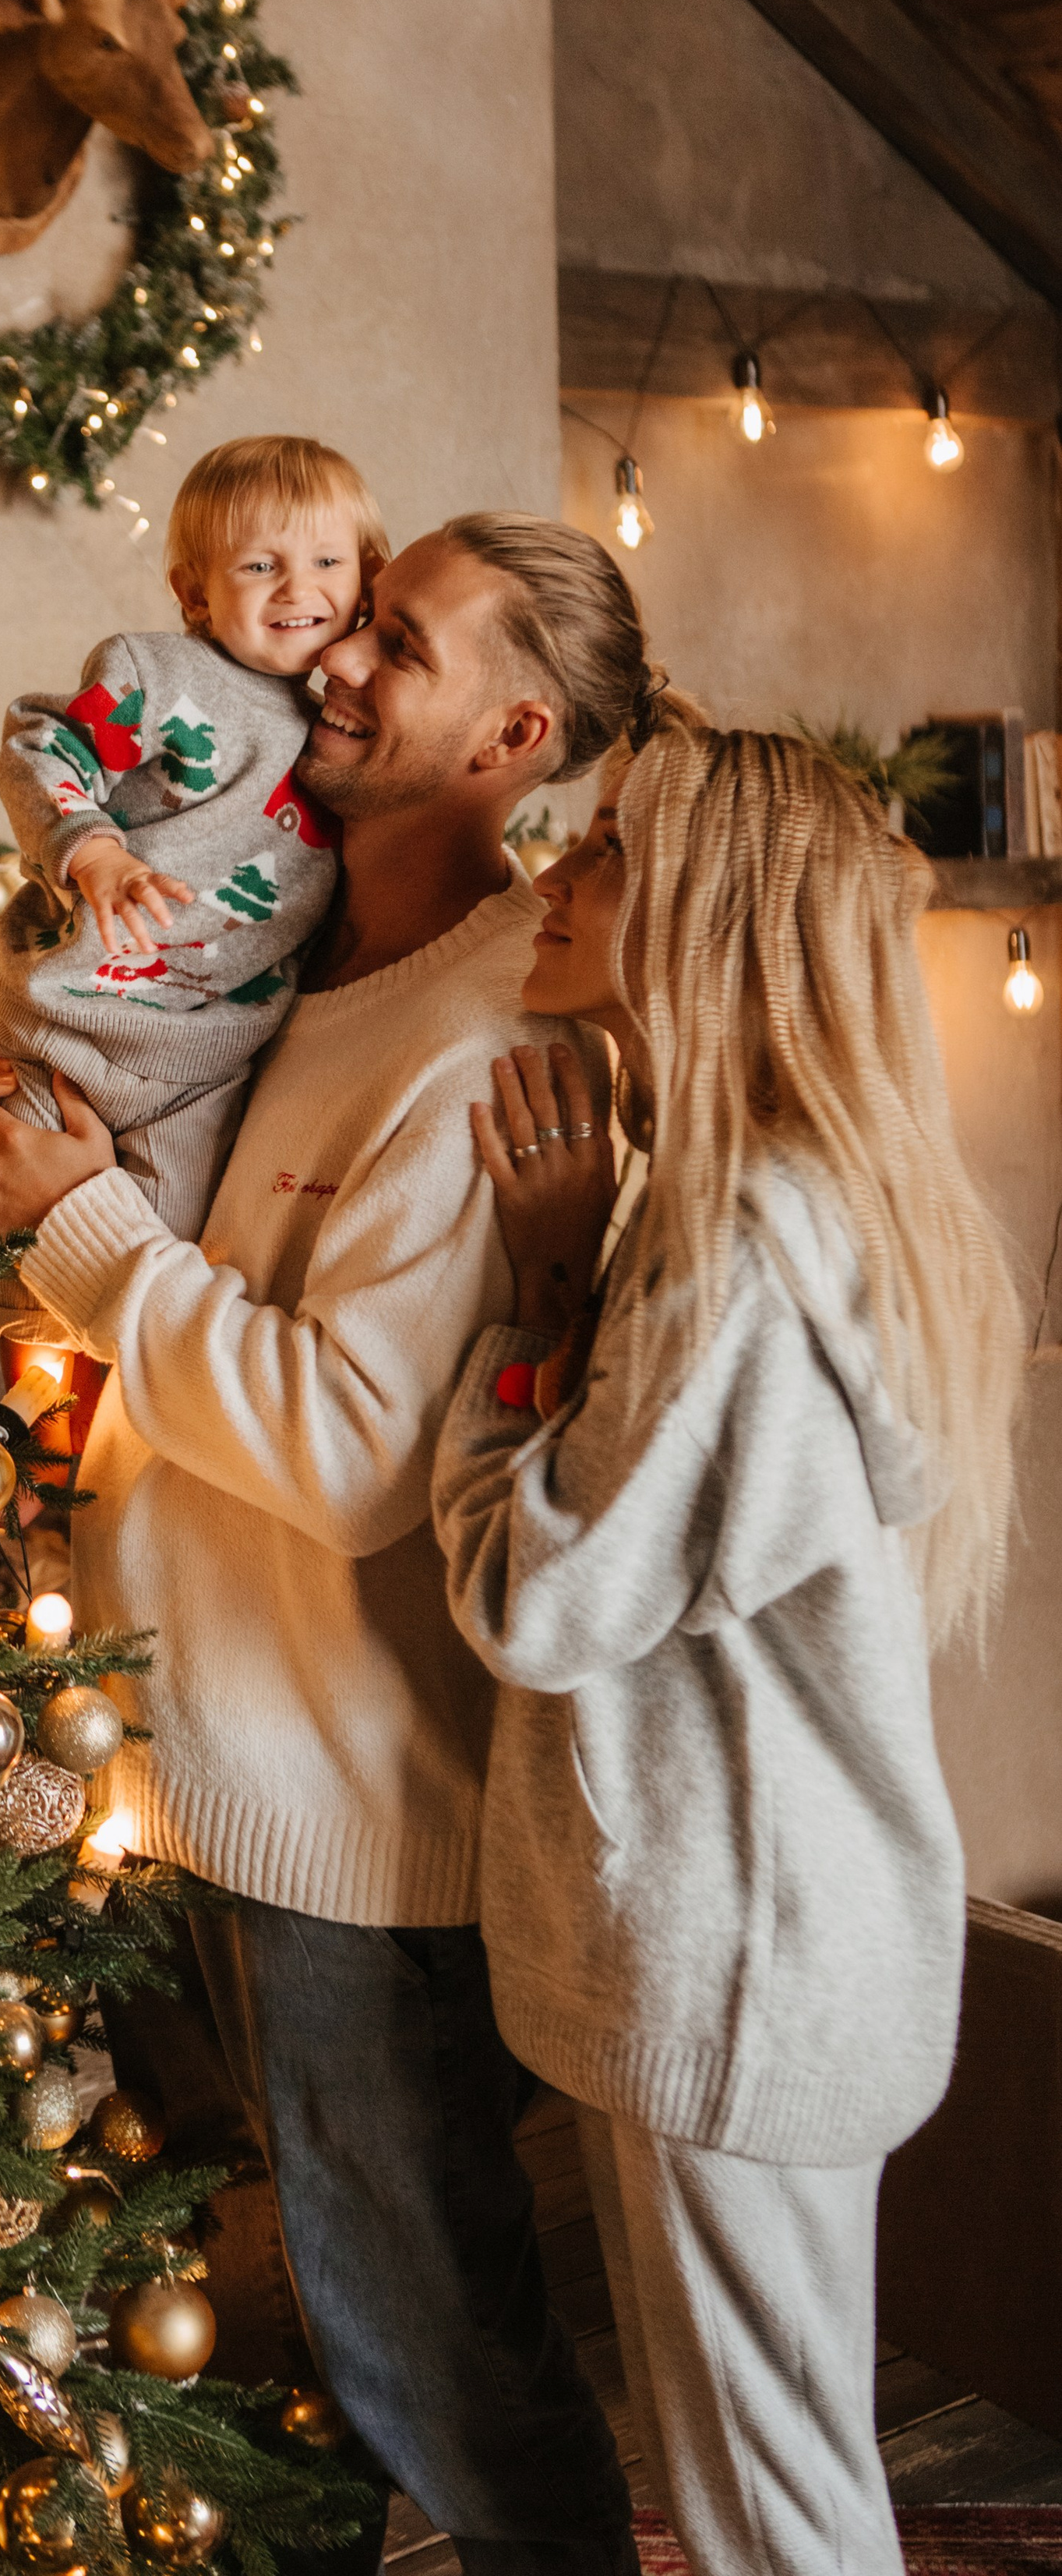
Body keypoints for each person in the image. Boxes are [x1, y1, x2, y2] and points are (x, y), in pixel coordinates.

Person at [0, 513, 659, 2574]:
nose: (332, 656)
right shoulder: (309, 958)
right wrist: (41, 1118)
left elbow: (346, 1454)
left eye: (392, 644)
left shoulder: (499, 1030)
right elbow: (139, 1170)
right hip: (203, 1766)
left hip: (351, 1815)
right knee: (321, 2355)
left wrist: (92, 1233)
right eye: (346, 618)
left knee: (431, 2350)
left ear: (510, 738)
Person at [432, 719, 1022, 2576]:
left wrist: (529, 1305)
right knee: (766, 2471)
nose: (550, 874)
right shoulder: (765, 1200)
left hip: (735, 1959)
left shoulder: (745, 1240)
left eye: (601, 848)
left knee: (771, 2510)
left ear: (712, 909)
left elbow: (541, 1595)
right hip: (764, 1940)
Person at [0, 433, 383, 1258]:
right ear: (194, 592)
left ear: (368, 578)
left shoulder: (347, 732)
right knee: (22, 1257)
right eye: (258, 566)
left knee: (148, 1261)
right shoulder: (160, 675)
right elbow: (39, 746)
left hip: (203, 1070)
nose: (297, 588)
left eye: (326, 563)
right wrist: (91, 849)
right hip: (66, 1024)